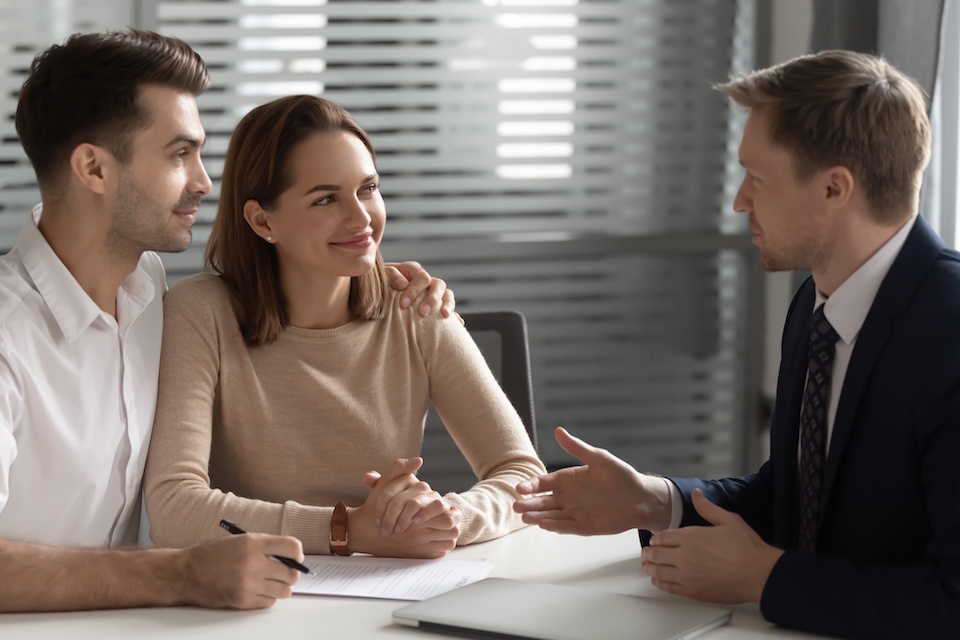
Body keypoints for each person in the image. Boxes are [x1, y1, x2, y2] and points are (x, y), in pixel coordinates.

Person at [0, 29, 452, 612]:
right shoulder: (9, 333)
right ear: (93, 168)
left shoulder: (146, 288)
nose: (204, 181)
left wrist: (382, 276)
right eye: (179, 153)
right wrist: (179, 575)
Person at [513, 50, 960, 639]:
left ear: (833, 188)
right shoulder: (819, 304)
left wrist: (767, 579)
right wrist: (655, 502)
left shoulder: (949, 330)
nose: (739, 201)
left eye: (757, 178)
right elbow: (799, 495)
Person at [142, 95, 546, 558]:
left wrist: (443, 519)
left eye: (368, 189)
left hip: (387, 585)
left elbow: (523, 474)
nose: (361, 219)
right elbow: (174, 508)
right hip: (258, 592)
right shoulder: (200, 312)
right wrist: (348, 530)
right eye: (326, 199)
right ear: (261, 219)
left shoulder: (414, 305)